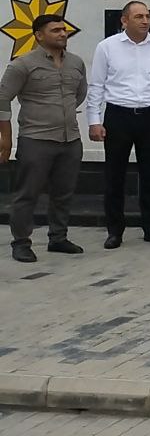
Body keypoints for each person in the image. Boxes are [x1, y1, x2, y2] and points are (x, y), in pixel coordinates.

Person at [86, 1, 150, 249]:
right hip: (118, 115)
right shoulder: (107, 47)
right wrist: (94, 120)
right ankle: (115, 231)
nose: (145, 21)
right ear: (124, 20)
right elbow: (97, 85)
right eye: (139, 16)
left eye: (147, 16)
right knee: (114, 176)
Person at [0, 14, 88, 263]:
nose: (63, 34)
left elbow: (79, 94)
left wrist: (60, 113)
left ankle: (58, 238)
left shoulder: (76, 63)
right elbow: (2, 99)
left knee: (63, 193)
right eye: (55, 30)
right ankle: (21, 243)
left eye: (64, 29)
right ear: (39, 35)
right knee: (27, 194)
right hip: (36, 139)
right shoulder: (22, 64)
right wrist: (6, 138)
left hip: (70, 140)